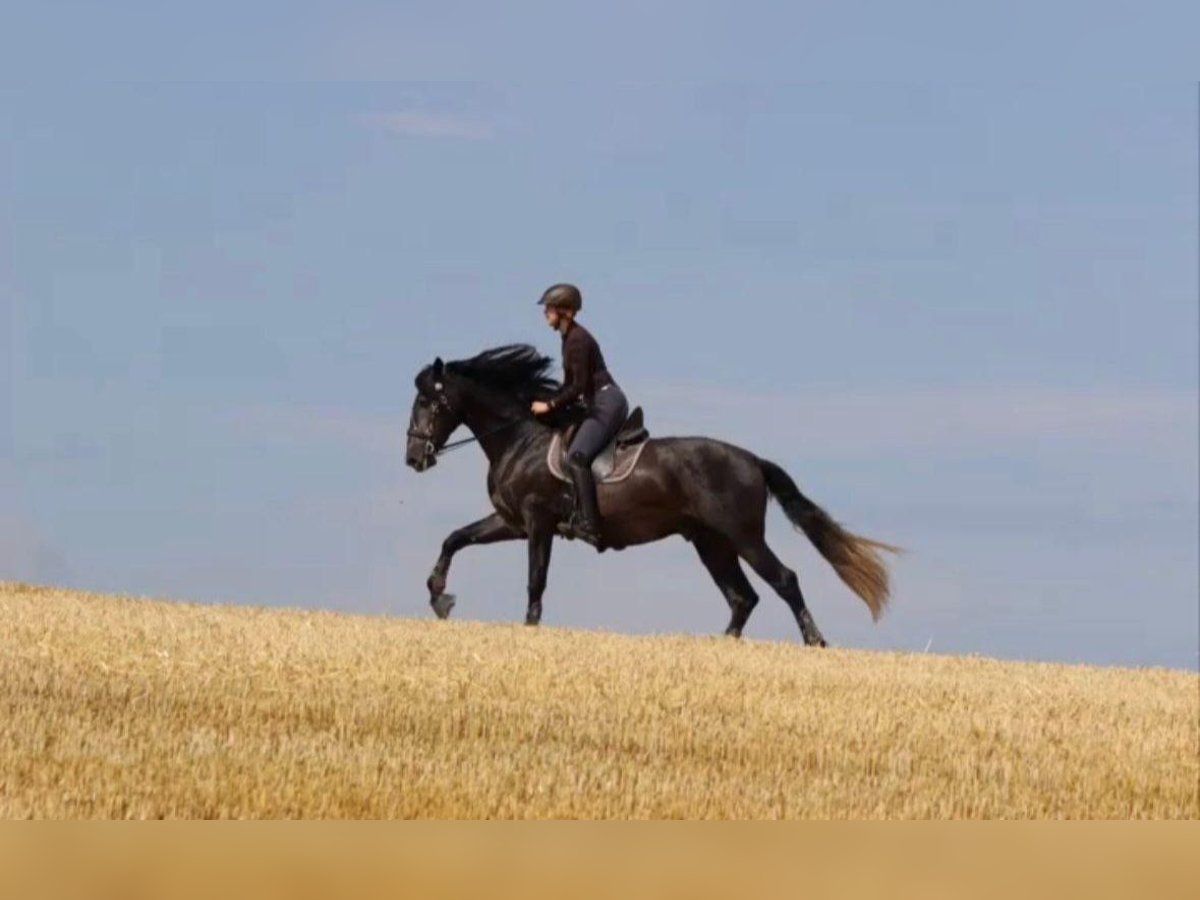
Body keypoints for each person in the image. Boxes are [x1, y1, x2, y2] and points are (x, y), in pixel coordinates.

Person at [530, 283, 629, 549]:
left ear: (564, 312)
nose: (545, 314)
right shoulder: (567, 339)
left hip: (607, 402)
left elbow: (577, 387)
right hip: (596, 401)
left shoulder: (578, 340)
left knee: (576, 457)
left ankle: (591, 525)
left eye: (549, 309)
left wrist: (549, 405)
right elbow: (568, 386)